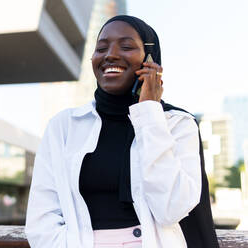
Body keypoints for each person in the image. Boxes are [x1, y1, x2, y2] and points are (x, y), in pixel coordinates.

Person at [25, 15, 219, 248]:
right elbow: (41, 219)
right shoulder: (64, 126)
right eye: (101, 48)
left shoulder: (177, 124)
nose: (110, 55)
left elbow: (172, 208)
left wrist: (149, 112)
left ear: (150, 59)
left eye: (126, 46)